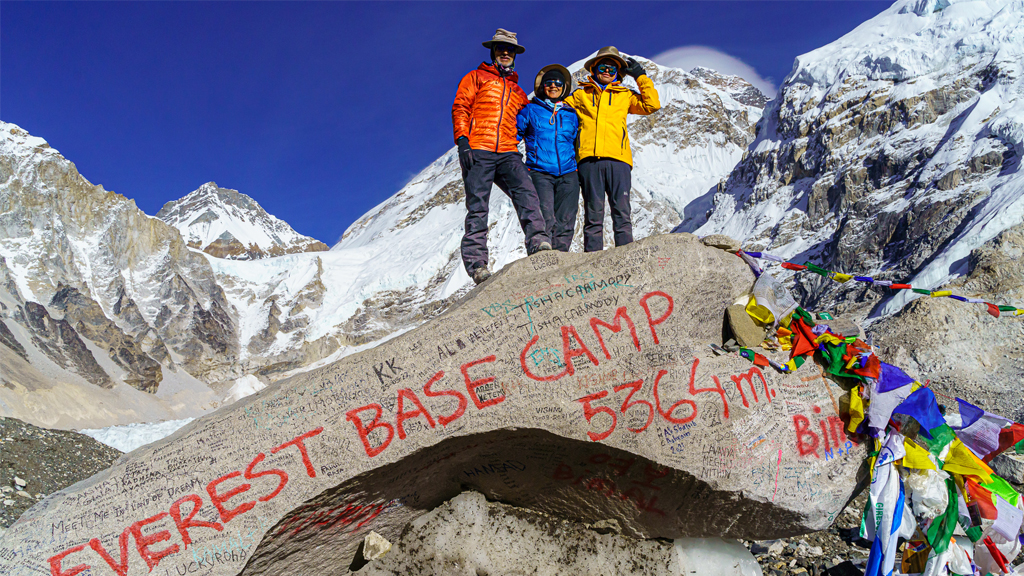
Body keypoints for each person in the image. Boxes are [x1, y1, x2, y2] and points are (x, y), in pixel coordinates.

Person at [452, 28, 551, 285]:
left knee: (527, 194)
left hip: (508, 151)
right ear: (493, 52)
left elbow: (526, 124)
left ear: (515, 55)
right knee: (478, 206)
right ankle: (478, 266)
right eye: (501, 49)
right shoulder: (475, 78)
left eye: (510, 50)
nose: (505, 53)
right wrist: (463, 140)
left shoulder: (518, 92)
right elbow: (461, 105)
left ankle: (539, 243)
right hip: (479, 149)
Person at [565, 46, 660, 252]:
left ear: (618, 72)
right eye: (602, 66)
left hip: (619, 160)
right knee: (593, 216)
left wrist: (641, 77)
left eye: (611, 68)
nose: (606, 71)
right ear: (594, 69)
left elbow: (651, 105)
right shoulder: (581, 95)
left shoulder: (625, 95)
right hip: (589, 161)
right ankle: (592, 262)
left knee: (622, 213)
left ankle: (625, 260)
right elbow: (558, 107)